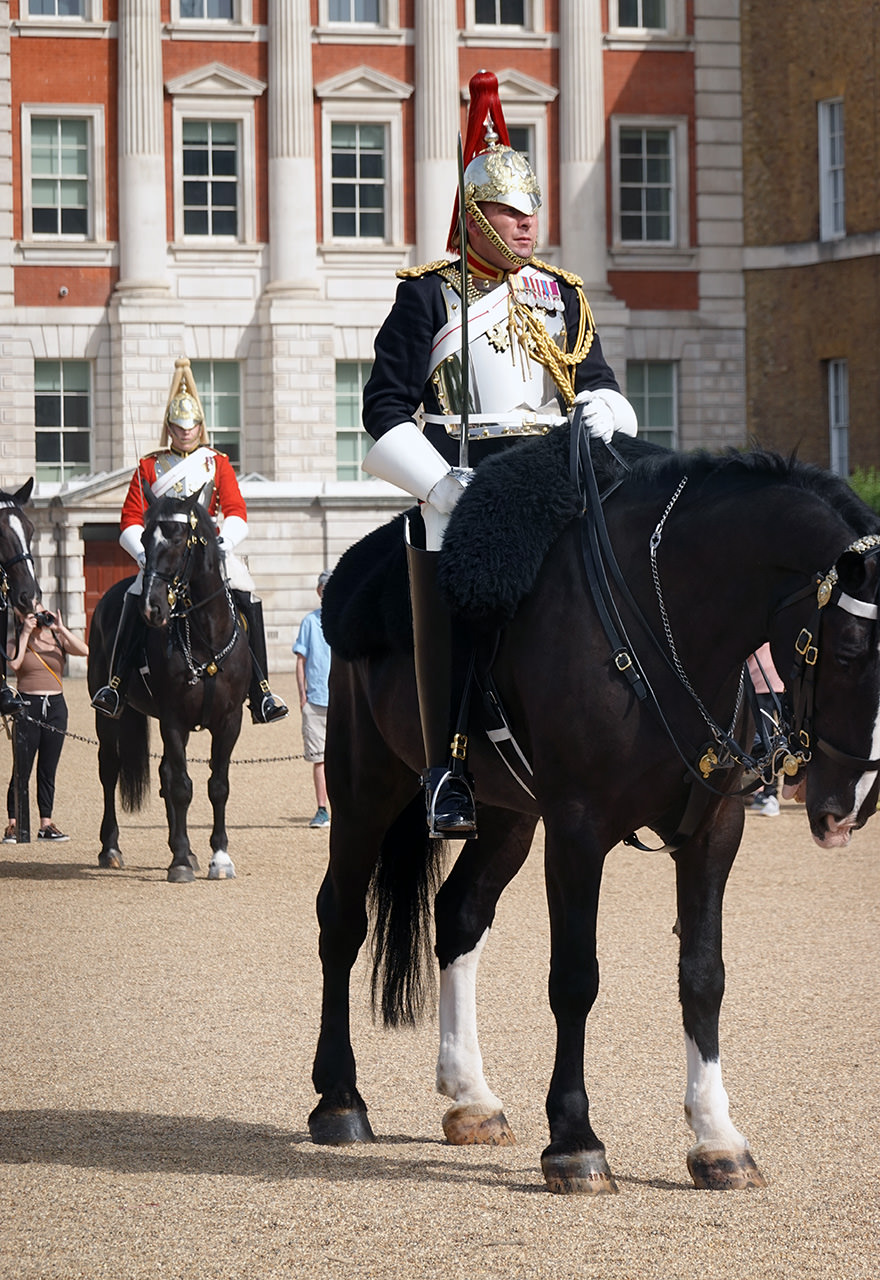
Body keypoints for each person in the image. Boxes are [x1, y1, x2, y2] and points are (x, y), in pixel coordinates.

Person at [360, 69, 637, 839]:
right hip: (467, 476)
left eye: (532, 212)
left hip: (557, 470)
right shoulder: (426, 297)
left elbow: (600, 382)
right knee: (459, 586)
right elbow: (383, 413)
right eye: (510, 213)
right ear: (475, 217)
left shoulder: (561, 295)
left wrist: (601, 417)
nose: (527, 226)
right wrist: (439, 484)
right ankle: (448, 765)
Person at [90, 357, 287, 726]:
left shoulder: (217, 464)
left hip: (211, 553)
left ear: (201, 426)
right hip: (164, 555)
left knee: (247, 592)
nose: (186, 432)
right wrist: (145, 555)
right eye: (179, 427)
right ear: (169, 428)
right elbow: (130, 519)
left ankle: (260, 689)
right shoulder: (150, 466)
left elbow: (236, 511)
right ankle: (116, 684)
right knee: (135, 595)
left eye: (192, 426)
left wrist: (220, 547)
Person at [3, 604, 88, 843]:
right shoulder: (15, 640)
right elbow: (14, 664)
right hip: (27, 707)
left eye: (41, 612)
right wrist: (25, 633)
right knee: (22, 768)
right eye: (32, 614)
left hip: (56, 708)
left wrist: (61, 628)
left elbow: (84, 650)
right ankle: (13, 824)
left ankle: (46, 824)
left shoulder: (56, 640)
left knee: (48, 769)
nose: (38, 617)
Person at [293, 570, 332, 829]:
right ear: (319, 592)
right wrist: (302, 697)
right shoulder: (309, 622)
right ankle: (322, 808)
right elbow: (301, 660)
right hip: (316, 700)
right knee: (319, 758)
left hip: (344, 703)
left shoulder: (346, 621)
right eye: (324, 589)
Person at [746, 643, 785, 817]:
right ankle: (766, 792)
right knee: (779, 739)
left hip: (760, 684)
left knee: (764, 742)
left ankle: (770, 794)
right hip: (781, 681)